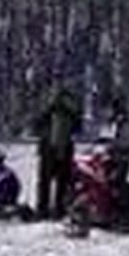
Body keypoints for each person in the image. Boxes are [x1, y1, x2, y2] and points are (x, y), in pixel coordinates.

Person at [32, 86, 82, 219]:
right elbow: (78, 128)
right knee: (61, 181)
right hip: (63, 149)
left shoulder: (50, 110)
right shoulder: (71, 111)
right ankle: (58, 209)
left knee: (47, 181)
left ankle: (44, 209)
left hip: (49, 148)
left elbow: (37, 125)